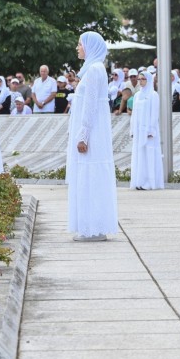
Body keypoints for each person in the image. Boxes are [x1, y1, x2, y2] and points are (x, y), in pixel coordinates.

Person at [66, 32, 118, 242]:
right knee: (85, 177)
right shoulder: (91, 70)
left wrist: (83, 135)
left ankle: (94, 228)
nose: (77, 48)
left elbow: (90, 106)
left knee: (91, 176)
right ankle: (88, 226)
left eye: (80, 44)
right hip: (88, 132)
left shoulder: (96, 70)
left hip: (92, 135)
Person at [129, 70, 163, 191]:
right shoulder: (137, 95)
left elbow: (154, 114)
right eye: (139, 79)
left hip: (148, 131)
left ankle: (150, 182)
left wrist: (151, 130)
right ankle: (139, 180)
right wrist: (132, 129)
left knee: (149, 155)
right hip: (139, 131)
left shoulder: (153, 95)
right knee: (140, 155)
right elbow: (134, 114)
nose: (140, 81)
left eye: (143, 79)